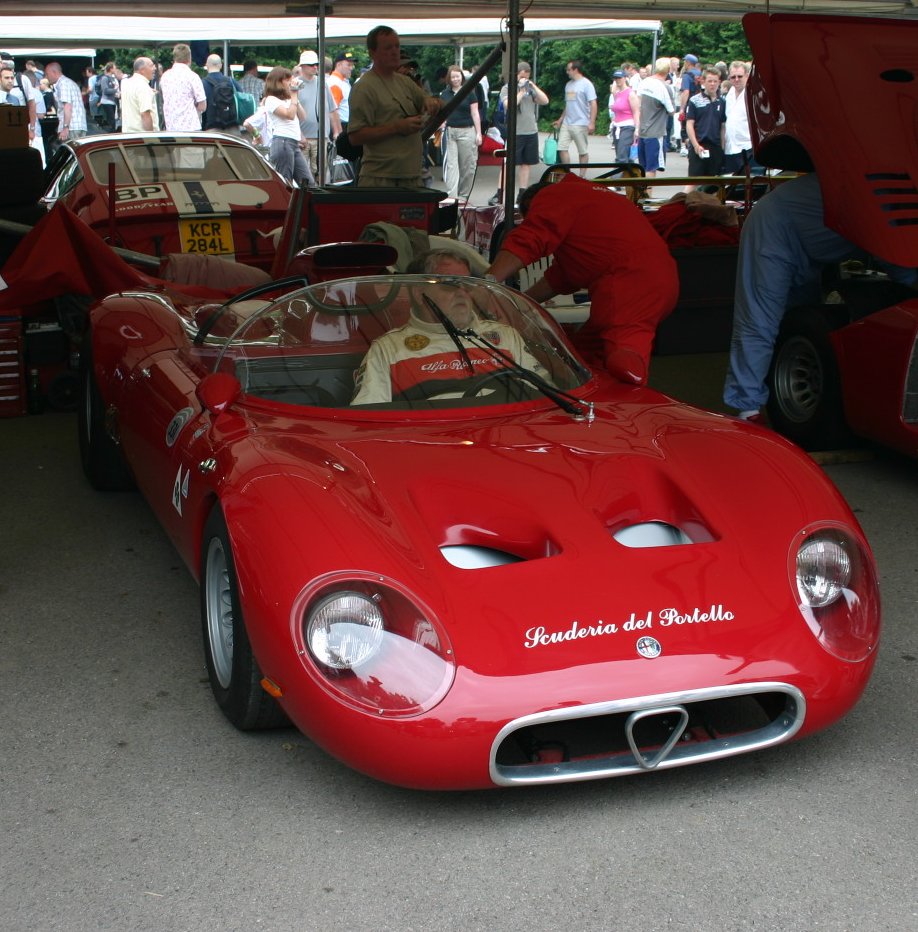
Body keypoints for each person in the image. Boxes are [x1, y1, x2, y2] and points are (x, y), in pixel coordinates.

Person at [724, 173, 917, 420]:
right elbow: (895, 256)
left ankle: (773, 392)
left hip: (810, 244)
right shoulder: (893, 192)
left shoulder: (899, 185)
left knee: (801, 327)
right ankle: (747, 410)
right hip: (773, 227)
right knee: (759, 321)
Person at [485, 173, 679, 386]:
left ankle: (630, 410)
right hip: (663, 279)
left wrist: (486, 283)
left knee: (625, 362)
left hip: (629, 286)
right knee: (585, 356)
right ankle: (588, 398)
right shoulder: (592, 198)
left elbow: (529, 240)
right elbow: (562, 277)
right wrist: (520, 302)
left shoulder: (552, 196)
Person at [351, 251, 547, 405]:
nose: (462, 292)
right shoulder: (388, 349)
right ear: (420, 293)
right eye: (450, 284)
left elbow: (545, 396)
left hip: (504, 439)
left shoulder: (506, 336)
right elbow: (368, 420)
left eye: (467, 284)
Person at [347, 25, 442, 188]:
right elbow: (355, 136)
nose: (395, 51)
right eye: (388, 47)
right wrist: (397, 127)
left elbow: (435, 102)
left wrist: (432, 103)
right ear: (372, 53)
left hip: (412, 176)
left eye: (397, 46)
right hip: (380, 179)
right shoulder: (364, 87)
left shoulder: (404, 82)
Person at [498, 61, 548, 197]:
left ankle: (522, 193)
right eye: (521, 76)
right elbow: (509, 104)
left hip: (531, 130)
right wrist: (520, 91)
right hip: (516, 132)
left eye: (526, 76)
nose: (524, 79)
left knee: (526, 163)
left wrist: (533, 86)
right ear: (516, 75)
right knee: (509, 163)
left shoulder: (531, 90)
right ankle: (500, 192)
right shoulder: (507, 89)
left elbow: (545, 101)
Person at [262, 66, 314, 187]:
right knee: (286, 182)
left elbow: (302, 116)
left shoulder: (289, 99)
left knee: (308, 182)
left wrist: (294, 96)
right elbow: (289, 115)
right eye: (288, 80)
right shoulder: (270, 100)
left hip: (293, 143)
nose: (291, 82)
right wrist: (294, 95)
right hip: (282, 142)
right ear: (278, 82)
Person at [439, 65, 482, 200]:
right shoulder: (444, 94)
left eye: (458, 76)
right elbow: (442, 113)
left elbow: (475, 113)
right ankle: (452, 196)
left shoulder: (470, 93)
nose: (455, 79)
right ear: (449, 79)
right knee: (451, 166)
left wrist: (479, 133)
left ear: (461, 77)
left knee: (467, 166)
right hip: (450, 132)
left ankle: (463, 197)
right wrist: (441, 123)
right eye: (453, 77)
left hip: (467, 131)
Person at [297, 49, 341, 181]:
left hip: (322, 137)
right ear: (302, 66)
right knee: (304, 174)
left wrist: (337, 132)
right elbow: (291, 114)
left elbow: (332, 109)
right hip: (302, 138)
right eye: (311, 64)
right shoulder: (295, 84)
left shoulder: (323, 83)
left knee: (321, 172)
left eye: (316, 64)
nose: (315, 67)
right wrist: (298, 134)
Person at [553, 60, 596, 177]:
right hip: (567, 122)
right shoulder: (568, 85)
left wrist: (591, 122)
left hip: (581, 123)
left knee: (582, 151)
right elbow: (568, 104)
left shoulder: (587, 84)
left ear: (575, 70)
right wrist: (561, 119)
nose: (567, 72)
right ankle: (568, 173)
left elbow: (593, 103)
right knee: (561, 148)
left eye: (569, 70)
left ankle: (582, 175)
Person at [685, 67, 726, 181]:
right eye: (709, 81)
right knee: (693, 182)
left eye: (715, 81)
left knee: (713, 183)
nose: (712, 84)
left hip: (715, 147)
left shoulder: (722, 101)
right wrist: (695, 145)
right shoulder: (694, 100)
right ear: (703, 82)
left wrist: (722, 147)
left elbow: (722, 126)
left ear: (719, 82)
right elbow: (689, 124)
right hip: (699, 145)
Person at [637, 57, 675, 179]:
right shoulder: (665, 87)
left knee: (642, 167)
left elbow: (638, 101)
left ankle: (641, 195)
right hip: (655, 132)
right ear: (668, 70)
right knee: (651, 168)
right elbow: (671, 111)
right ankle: (648, 195)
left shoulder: (645, 82)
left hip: (642, 130)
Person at [160, 43, 206, 132]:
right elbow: (203, 106)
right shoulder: (193, 76)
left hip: (171, 127)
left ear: (174, 58)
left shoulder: (165, 76)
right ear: (189, 58)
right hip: (191, 127)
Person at [723, 61, 758, 175]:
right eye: (733, 77)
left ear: (747, 75)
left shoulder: (754, 94)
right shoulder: (730, 94)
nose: (736, 79)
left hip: (747, 148)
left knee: (748, 185)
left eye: (740, 76)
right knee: (731, 185)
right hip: (731, 148)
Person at [44, 61, 87, 143]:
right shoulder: (70, 83)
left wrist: (65, 127)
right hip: (79, 125)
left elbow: (67, 106)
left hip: (71, 127)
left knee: (68, 153)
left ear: (54, 72)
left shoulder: (63, 84)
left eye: (47, 74)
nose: (46, 77)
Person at [202, 54, 241, 134]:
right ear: (220, 65)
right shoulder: (231, 81)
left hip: (211, 130)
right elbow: (241, 101)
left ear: (207, 65)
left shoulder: (202, 83)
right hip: (232, 129)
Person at [120, 57, 159, 133]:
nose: (155, 68)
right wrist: (151, 136)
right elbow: (145, 114)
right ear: (142, 70)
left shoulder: (127, 84)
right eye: (151, 66)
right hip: (143, 137)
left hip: (128, 135)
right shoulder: (143, 87)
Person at [608, 69, 639, 163]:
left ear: (625, 78)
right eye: (616, 78)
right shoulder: (617, 94)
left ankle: (617, 177)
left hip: (628, 126)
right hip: (617, 126)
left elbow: (636, 111)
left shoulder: (630, 93)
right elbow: (613, 92)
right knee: (621, 153)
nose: (617, 80)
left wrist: (637, 129)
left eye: (620, 78)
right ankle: (630, 174)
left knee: (621, 156)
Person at [327, 51, 355, 133]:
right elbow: (333, 111)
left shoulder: (342, 82)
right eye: (348, 65)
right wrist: (338, 132)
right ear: (338, 65)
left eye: (352, 65)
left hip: (344, 125)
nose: (351, 68)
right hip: (341, 127)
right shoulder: (336, 83)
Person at [96, 62, 119, 131]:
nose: (116, 69)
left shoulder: (112, 78)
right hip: (106, 101)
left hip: (112, 101)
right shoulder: (104, 78)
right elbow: (105, 90)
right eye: (115, 68)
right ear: (111, 69)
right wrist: (115, 90)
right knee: (111, 120)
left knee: (112, 119)